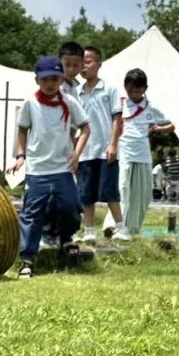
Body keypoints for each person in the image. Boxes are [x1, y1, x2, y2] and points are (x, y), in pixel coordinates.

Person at [9, 57, 91, 279]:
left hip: (63, 168)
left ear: (61, 79)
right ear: (37, 80)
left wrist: (76, 153)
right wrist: (20, 155)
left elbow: (85, 127)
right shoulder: (30, 104)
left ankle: (65, 237)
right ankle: (27, 259)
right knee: (32, 214)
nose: (50, 84)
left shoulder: (70, 102)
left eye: (55, 78)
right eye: (45, 79)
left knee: (71, 208)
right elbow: (23, 129)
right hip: (37, 170)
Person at [116, 68, 173, 240]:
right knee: (123, 188)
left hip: (142, 154)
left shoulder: (150, 108)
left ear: (145, 89)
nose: (134, 93)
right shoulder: (119, 105)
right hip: (123, 152)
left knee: (141, 194)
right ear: (125, 87)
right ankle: (116, 226)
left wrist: (156, 129)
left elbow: (171, 125)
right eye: (131, 90)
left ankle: (132, 228)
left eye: (138, 90)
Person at [76, 45, 123, 243]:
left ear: (99, 64)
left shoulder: (109, 90)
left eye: (88, 62)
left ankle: (121, 227)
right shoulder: (76, 93)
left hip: (106, 150)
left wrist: (113, 144)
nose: (84, 66)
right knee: (86, 192)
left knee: (109, 190)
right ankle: (89, 230)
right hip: (86, 151)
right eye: (82, 63)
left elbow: (117, 118)